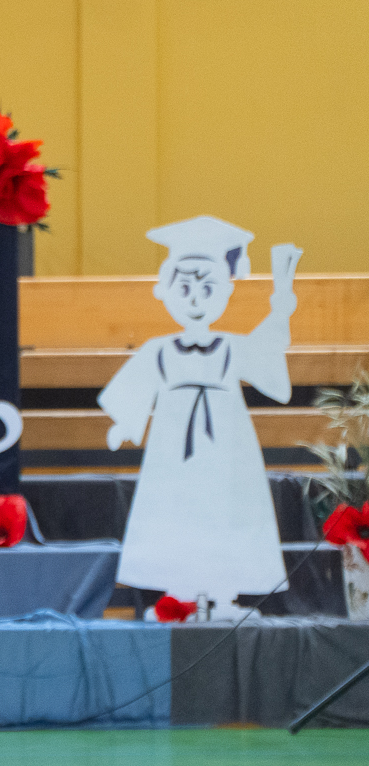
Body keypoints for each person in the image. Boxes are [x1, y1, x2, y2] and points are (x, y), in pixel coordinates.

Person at [99, 215, 302, 617]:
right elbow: (136, 387)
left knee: (227, 509)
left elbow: (268, 361)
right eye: (184, 288)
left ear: (225, 292)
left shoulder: (232, 347)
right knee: (174, 509)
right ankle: (178, 594)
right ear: (165, 290)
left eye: (207, 288)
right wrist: (126, 423)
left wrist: (281, 309)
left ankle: (224, 595)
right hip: (171, 446)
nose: (195, 299)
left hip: (229, 445)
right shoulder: (160, 349)